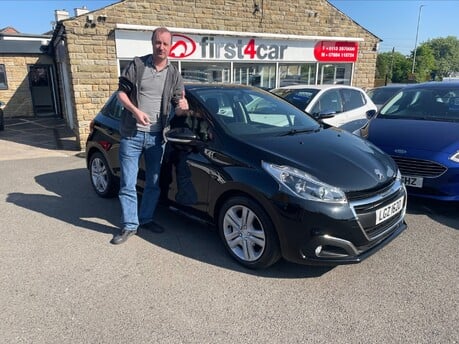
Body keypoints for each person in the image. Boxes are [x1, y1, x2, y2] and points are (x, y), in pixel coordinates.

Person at [111, 27, 189, 245]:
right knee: (128, 182)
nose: (161, 47)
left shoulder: (174, 74)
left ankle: (145, 219)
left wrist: (184, 107)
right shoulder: (137, 65)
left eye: (165, 43)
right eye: (158, 42)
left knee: (153, 182)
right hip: (132, 135)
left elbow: (178, 107)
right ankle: (129, 225)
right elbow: (121, 93)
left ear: (171, 46)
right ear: (152, 42)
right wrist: (135, 111)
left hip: (157, 138)